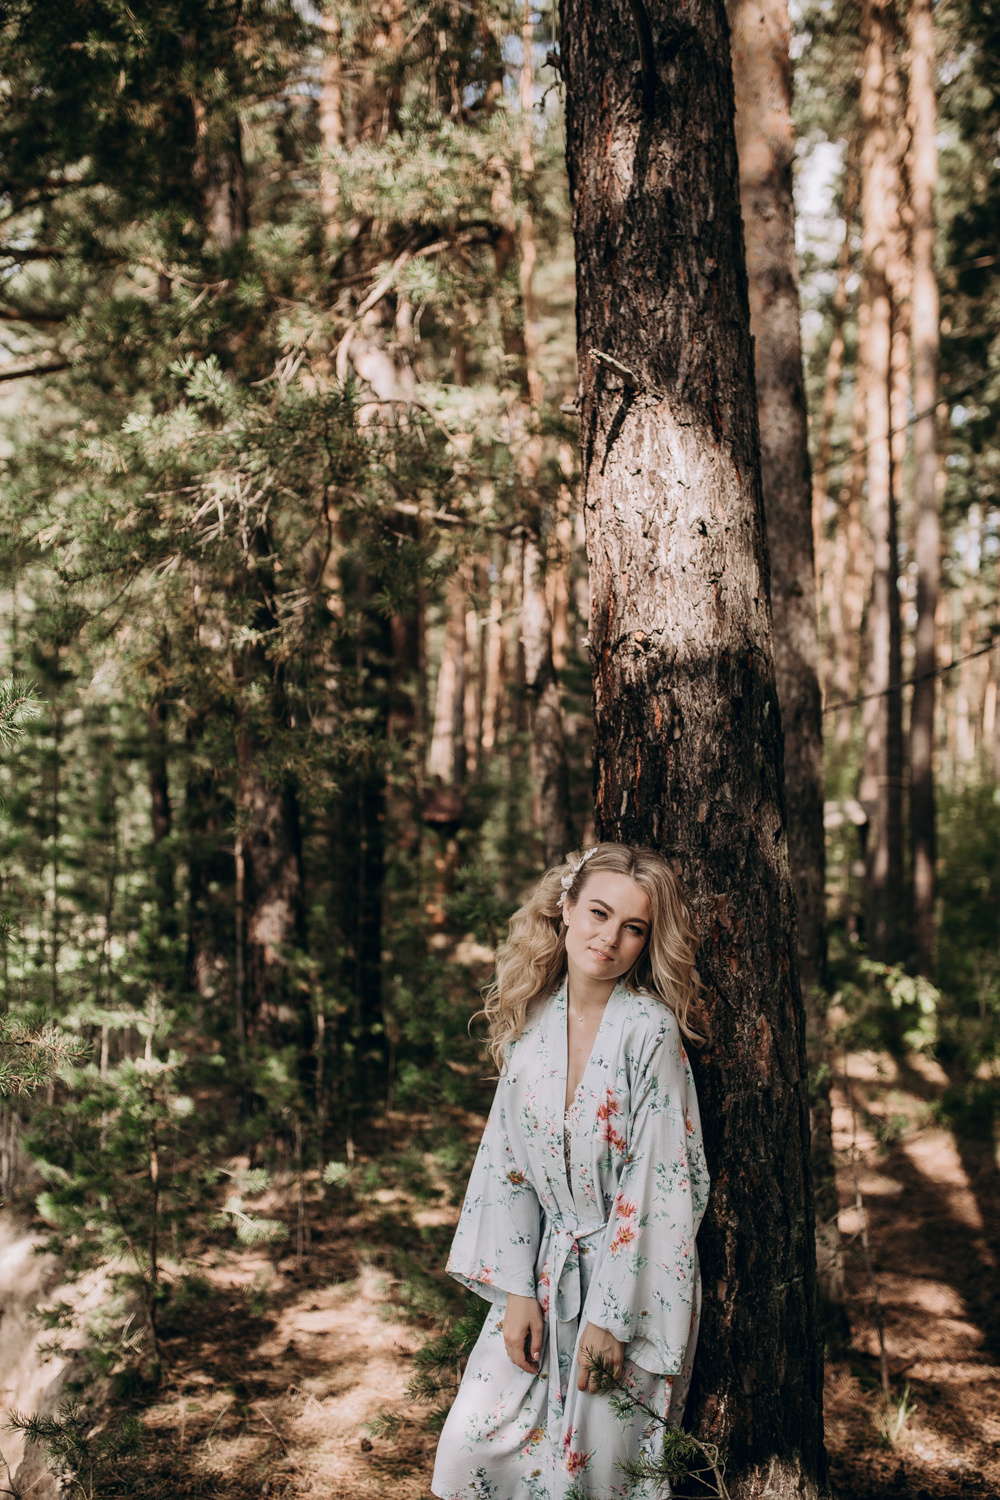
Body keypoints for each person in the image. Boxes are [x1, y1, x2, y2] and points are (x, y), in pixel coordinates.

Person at [431, 843, 710, 1500]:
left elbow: (663, 1184)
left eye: (633, 927)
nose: (609, 938)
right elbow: (506, 1168)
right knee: (471, 1451)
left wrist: (612, 1320)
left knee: (593, 1478)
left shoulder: (650, 1033)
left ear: (647, 940)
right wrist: (518, 1293)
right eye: (598, 913)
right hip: (540, 1274)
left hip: (628, 1290)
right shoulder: (532, 1024)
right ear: (566, 908)